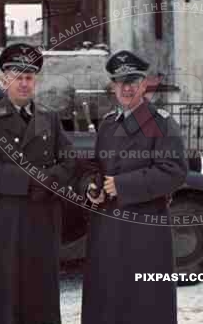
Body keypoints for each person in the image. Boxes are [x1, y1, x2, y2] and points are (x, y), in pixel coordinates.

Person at [0, 43, 80, 324]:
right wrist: (31, 180)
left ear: (36, 81)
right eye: (17, 76)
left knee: (39, 286)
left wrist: (48, 180)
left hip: (42, 216)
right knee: (1, 286)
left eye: (29, 77)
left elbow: (69, 161)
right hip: (4, 216)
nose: (23, 83)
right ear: (5, 79)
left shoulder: (48, 118)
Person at [80, 50, 188, 324]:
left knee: (143, 303)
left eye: (133, 81)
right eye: (120, 82)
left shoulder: (161, 123)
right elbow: (96, 167)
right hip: (107, 229)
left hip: (144, 230)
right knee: (107, 300)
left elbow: (174, 171)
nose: (126, 88)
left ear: (144, 85)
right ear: (113, 86)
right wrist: (93, 186)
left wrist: (123, 185)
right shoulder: (107, 124)